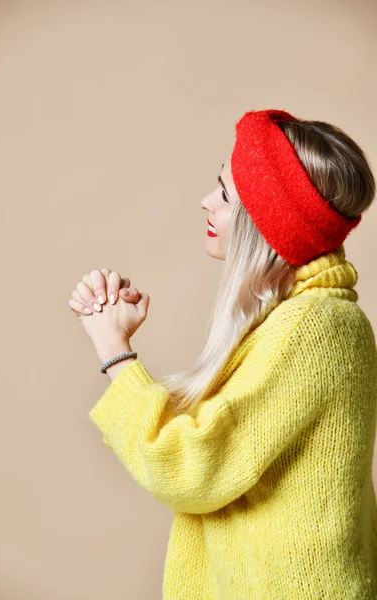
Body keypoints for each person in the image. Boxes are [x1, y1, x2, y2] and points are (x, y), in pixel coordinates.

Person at [68, 108, 377, 599]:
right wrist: (118, 338)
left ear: (267, 223)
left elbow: (193, 467)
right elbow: (221, 439)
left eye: (226, 193)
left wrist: (115, 352)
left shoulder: (317, 329)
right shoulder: (299, 320)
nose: (206, 201)